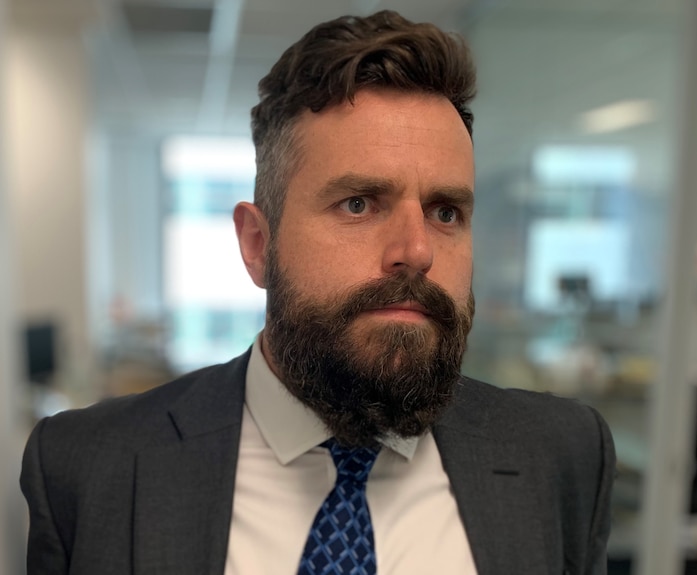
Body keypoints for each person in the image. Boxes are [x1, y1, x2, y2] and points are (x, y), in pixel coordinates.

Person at [20, 10, 615, 575]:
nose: (418, 249)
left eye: (445, 211)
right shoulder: (89, 467)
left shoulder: (561, 456)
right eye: (359, 204)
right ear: (257, 243)